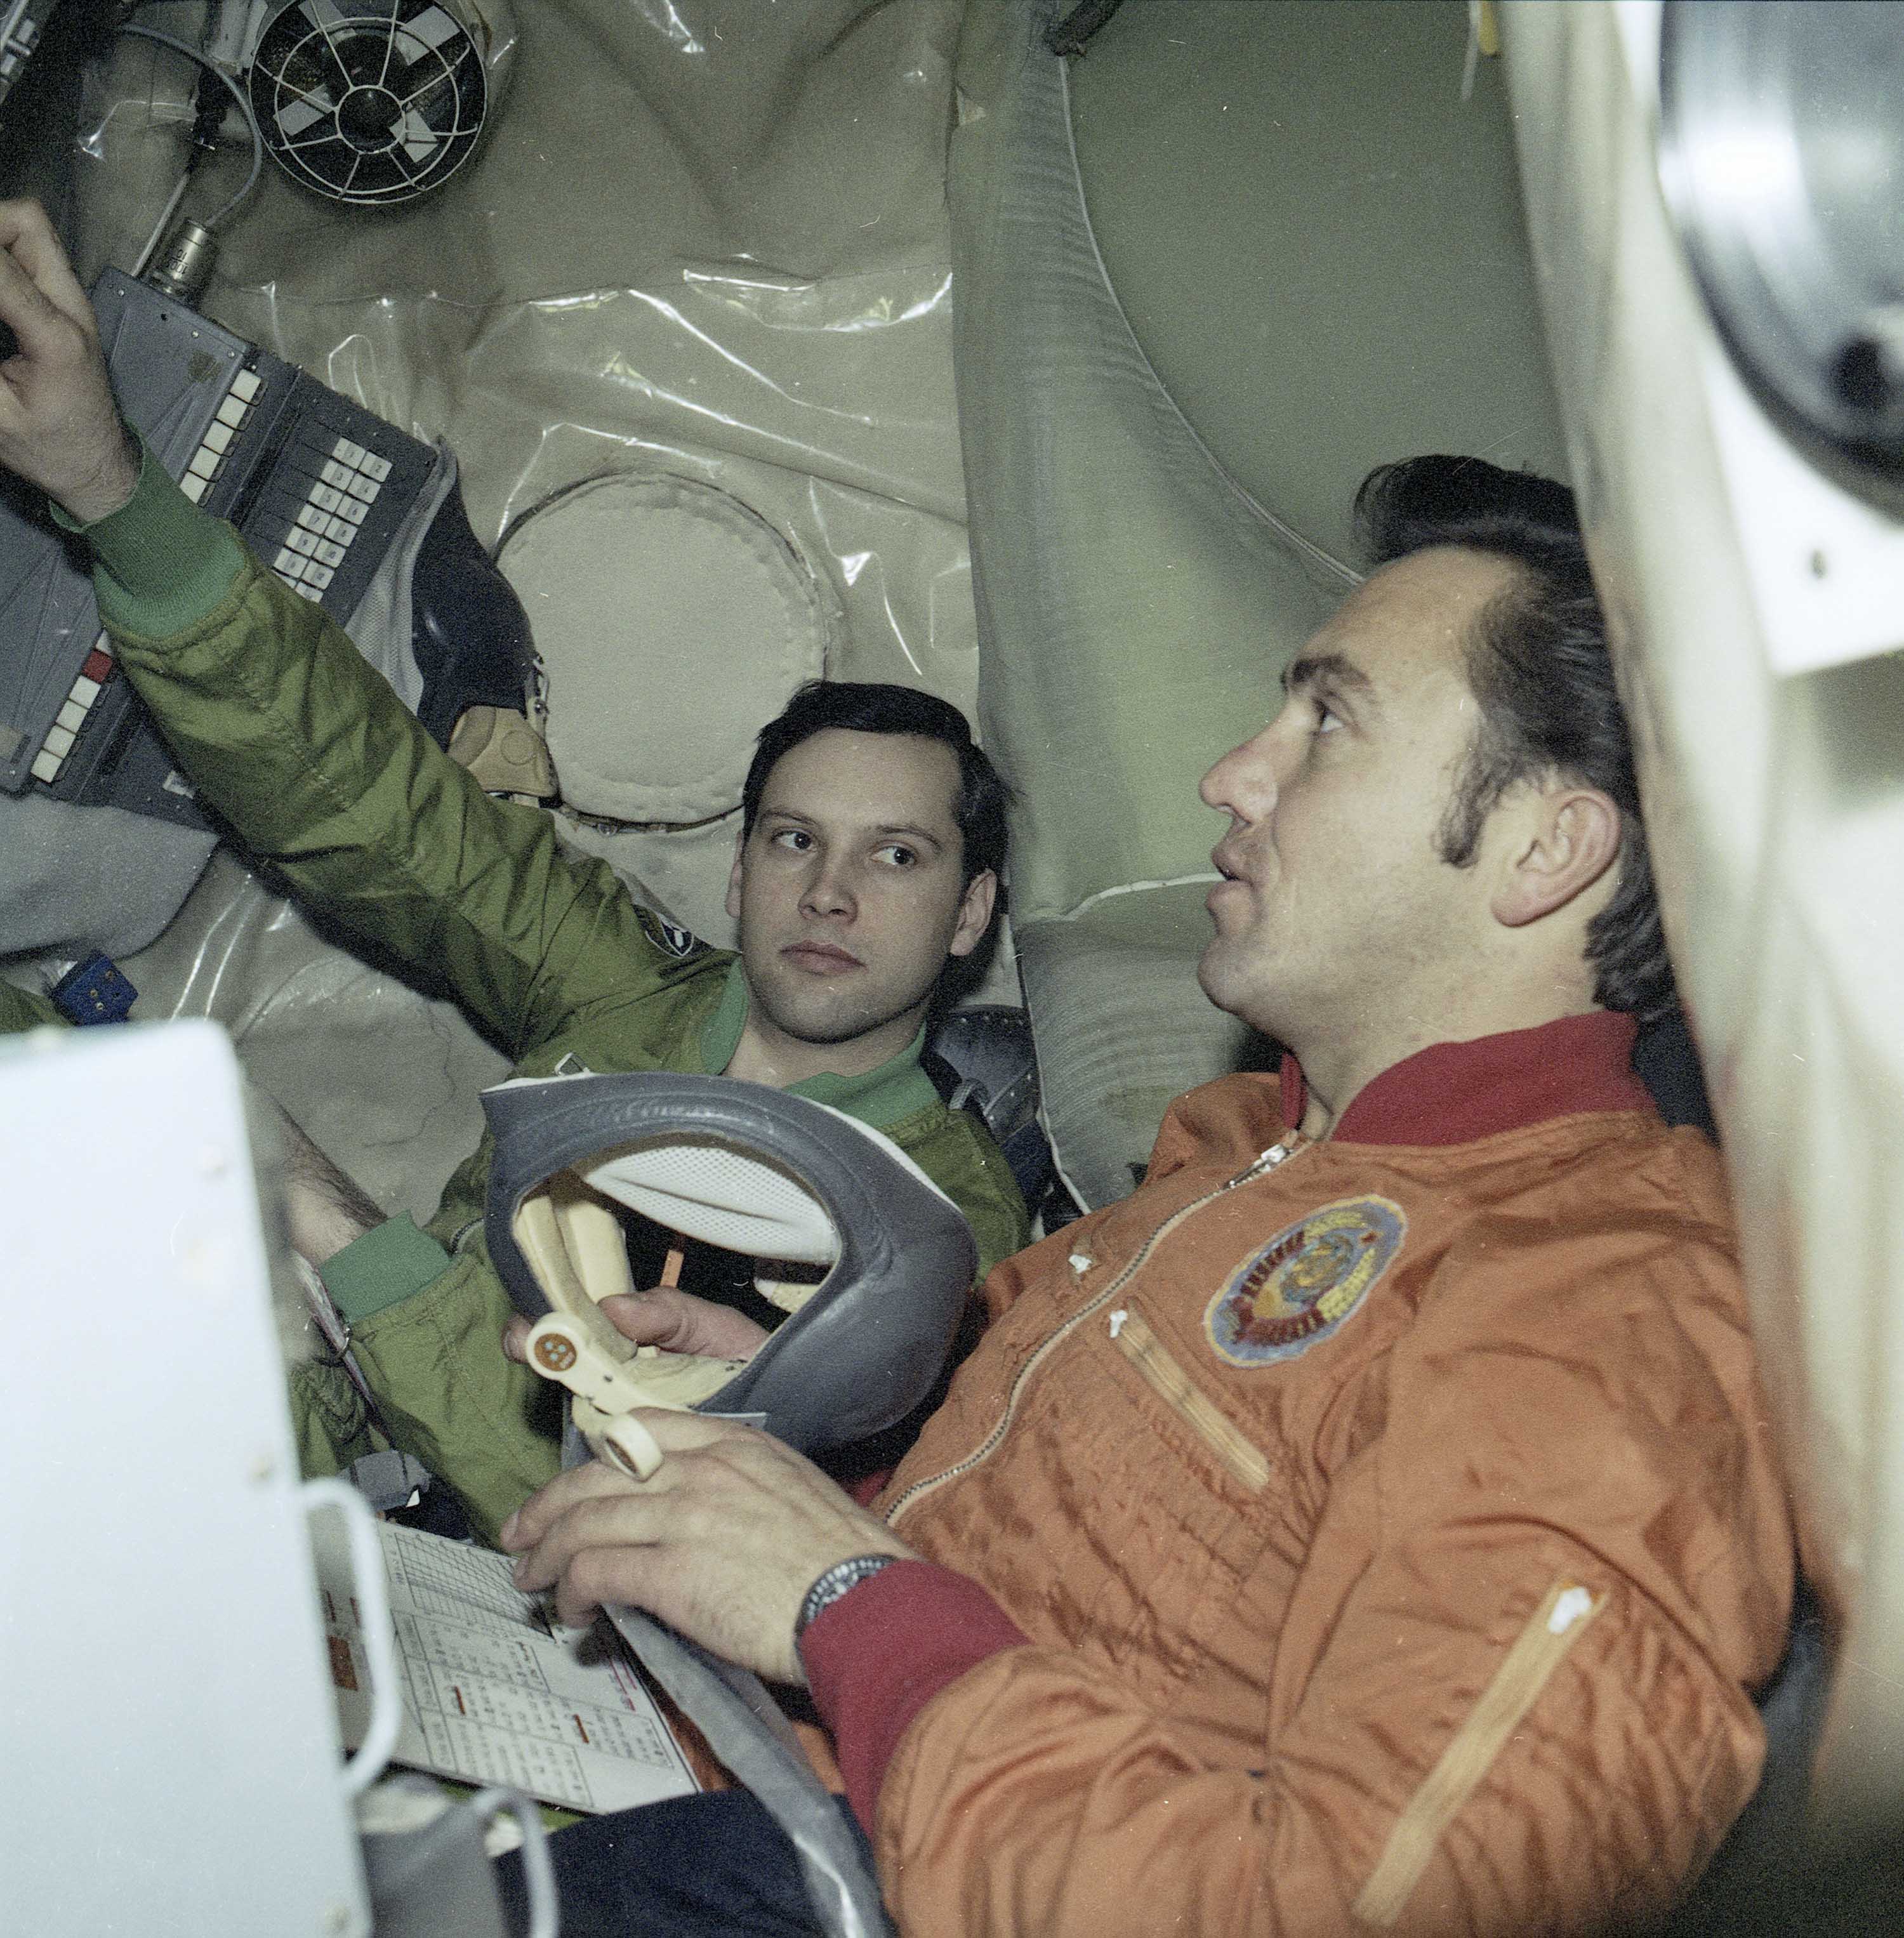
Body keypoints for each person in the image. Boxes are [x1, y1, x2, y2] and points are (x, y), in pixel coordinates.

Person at [482, 456, 1795, 1938]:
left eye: (1328, 726)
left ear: (1545, 850)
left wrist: (842, 1598)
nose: (1234, 775)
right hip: (733, 1774)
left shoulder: (1607, 1315)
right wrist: (803, 1427)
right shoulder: (1243, 1155)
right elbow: (1033, 1538)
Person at [0, 200, 1029, 1540]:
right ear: (737, 874)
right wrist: (112, 492)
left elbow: (645, 1522)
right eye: (794, 839)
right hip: (291, 1383)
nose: (829, 893)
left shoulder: (944, 1235)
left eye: (896, 856)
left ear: (971, 912)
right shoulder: (636, 995)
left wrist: (311, 1201)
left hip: (450, 1561)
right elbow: (376, 810)